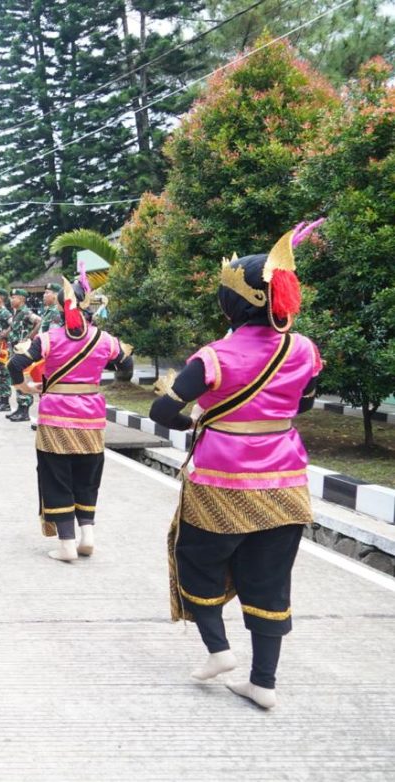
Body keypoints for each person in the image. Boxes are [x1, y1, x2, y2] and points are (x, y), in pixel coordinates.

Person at [149, 225, 323, 710]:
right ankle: (263, 682)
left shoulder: (214, 357)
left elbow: (163, 412)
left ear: (236, 302)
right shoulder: (304, 350)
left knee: (196, 560)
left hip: (221, 483)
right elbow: (303, 404)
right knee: (270, 580)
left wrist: (196, 421)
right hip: (286, 482)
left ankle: (219, 649)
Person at [9, 276, 134, 562]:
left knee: (57, 477)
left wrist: (25, 387)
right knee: (87, 476)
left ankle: (66, 544)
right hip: (91, 419)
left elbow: (16, 363)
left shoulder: (48, 339)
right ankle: (87, 535)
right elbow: (125, 366)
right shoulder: (105, 340)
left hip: (55, 420)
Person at [6, 288, 42, 422]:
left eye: (14, 297)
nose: (11, 299)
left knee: (24, 377)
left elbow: (39, 321)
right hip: (16, 350)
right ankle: (20, 408)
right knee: (17, 379)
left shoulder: (26, 312)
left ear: (21, 299)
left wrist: (29, 338)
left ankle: (25, 410)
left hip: (24, 352)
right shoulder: (17, 313)